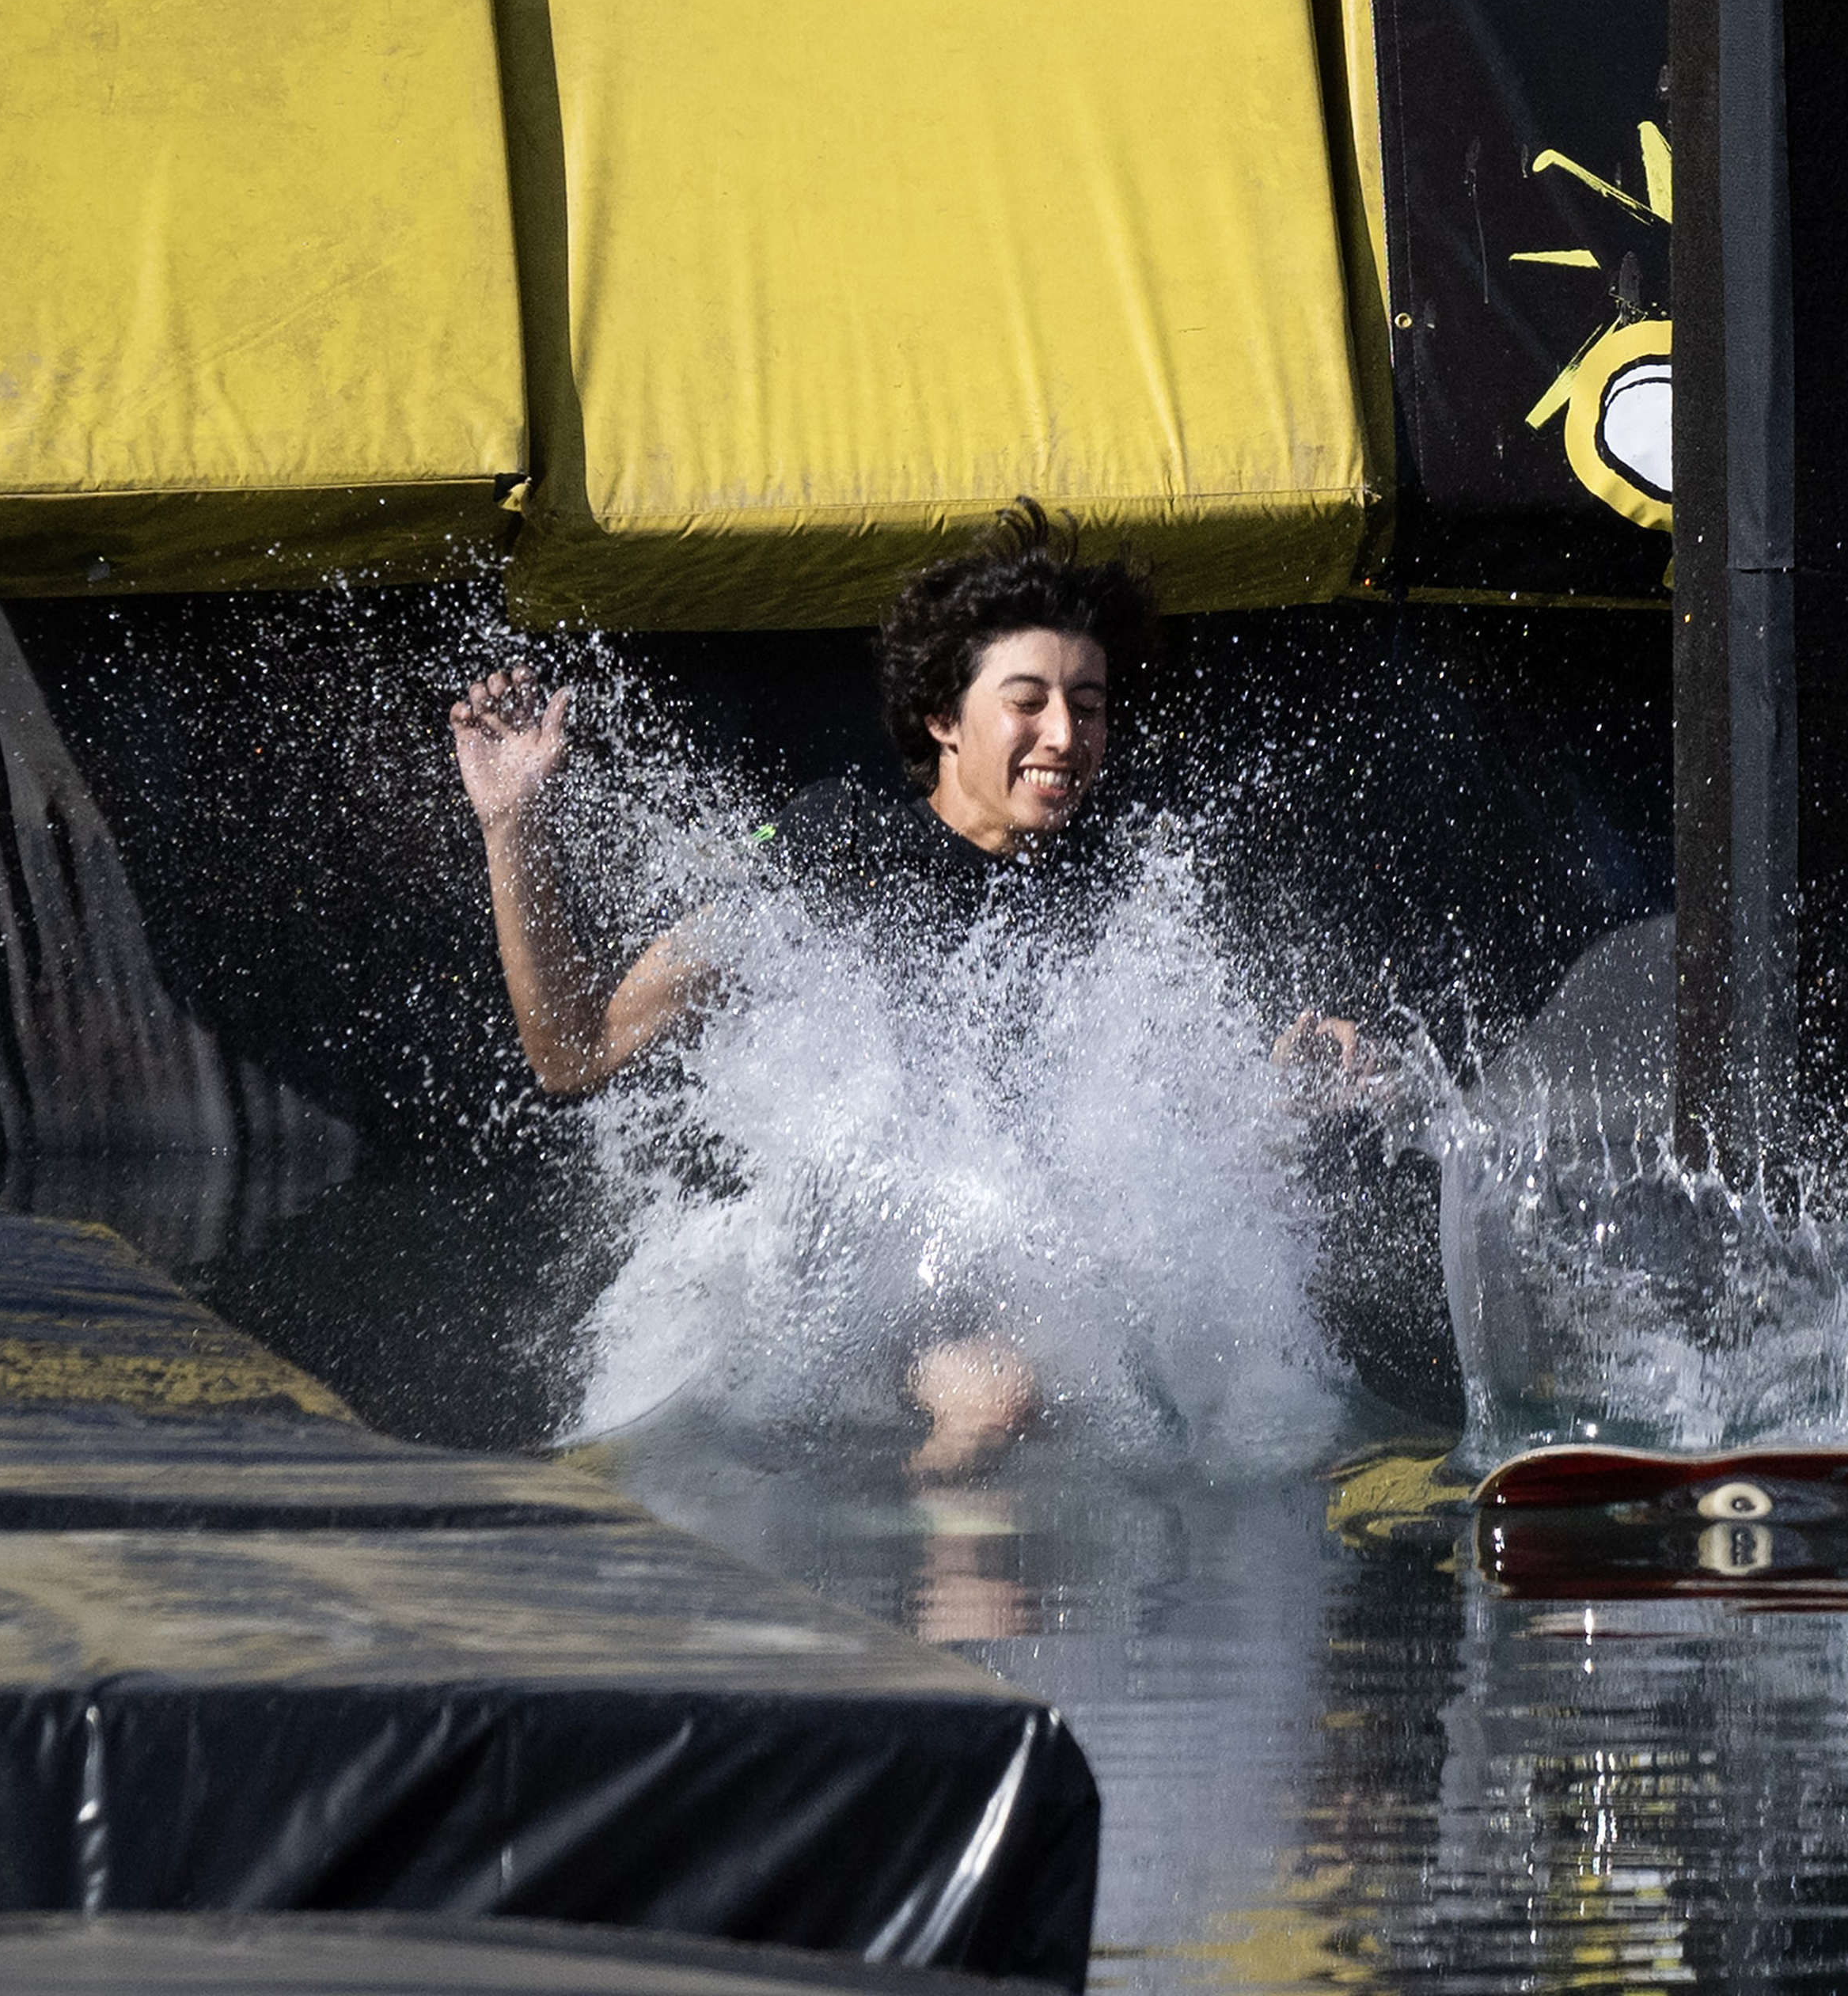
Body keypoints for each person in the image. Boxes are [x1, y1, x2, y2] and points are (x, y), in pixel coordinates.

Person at [451, 501, 1344, 1474]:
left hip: (1023, 1278)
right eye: (1028, 701)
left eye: (1088, 705)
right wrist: (513, 826)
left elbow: (1173, 1151)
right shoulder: (838, 855)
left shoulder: (1123, 893)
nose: (1064, 733)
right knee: (999, 1393)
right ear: (942, 718)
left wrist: (1285, 1087)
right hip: (830, 1283)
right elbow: (574, 1049)